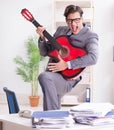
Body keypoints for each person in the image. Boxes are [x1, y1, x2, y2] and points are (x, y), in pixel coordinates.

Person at [36, 5, 99, 111]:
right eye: (69, 21)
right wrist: (42, 38)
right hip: (53, 73)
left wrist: (67, 64)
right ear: (66, 21)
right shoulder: (61, 30)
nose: (73, 24)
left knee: (44, 77)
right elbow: (45, 52)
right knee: (51, 104)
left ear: (82, 19)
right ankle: (53, 121)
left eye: (77, 20)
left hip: (68, 78)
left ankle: (52, 118)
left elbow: (93, 57)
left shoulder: (90, 35)